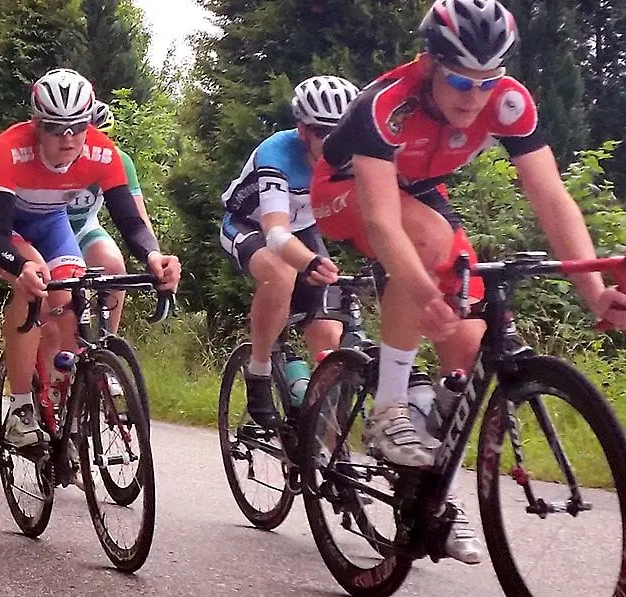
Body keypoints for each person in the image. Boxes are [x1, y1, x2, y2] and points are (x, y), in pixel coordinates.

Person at [309, 0, 626, 564]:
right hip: (344, 189)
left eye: (487, 81)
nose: (473, 96)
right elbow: (382, 221)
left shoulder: (510, 103)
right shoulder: (387, 105)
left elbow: (552, 199)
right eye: (459, 80)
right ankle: (388, 412)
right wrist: (420, 288)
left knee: (468, 343)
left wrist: (595, 289)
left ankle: (435, 492)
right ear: (430, 63)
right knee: (428, 245)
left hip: (421, 193)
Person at [0, 68, 180, 449]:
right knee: (34, 281)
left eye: (77, 127)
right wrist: (20, 268)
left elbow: (130, 222)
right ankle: (20, 408)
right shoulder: (10, 147)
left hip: (51, 220)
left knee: (70, 298)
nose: (67, 138)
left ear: (88, 123)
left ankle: (64, 400)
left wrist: (153, 257)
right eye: (55, 128)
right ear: (36, 124)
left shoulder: (102, 152)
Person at [219, 75, 359, 429]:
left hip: (302, 231)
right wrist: (310, 262)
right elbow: (276, 233)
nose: (334, 141)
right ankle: (259, 371)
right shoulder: (277, 154)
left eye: (343, 130)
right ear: (302, 130)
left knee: (329, 334)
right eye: (323, 132)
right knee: (280, 274)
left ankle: (320, 437)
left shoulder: (357, 155)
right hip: (249, 225)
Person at [63, 100, 156, 332]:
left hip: (85, 227)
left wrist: (154, 259)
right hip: (50, 232)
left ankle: (109, 340)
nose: (94, 147)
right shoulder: (57, 155)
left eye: (103, 138)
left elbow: (138, 217)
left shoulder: (117, 160)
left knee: (114, 268)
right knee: (64, 291)